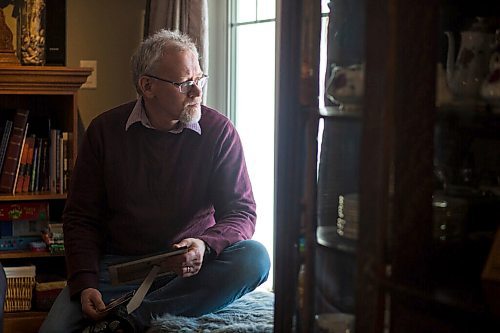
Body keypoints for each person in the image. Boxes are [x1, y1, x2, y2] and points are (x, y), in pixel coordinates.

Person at [39, 29, 270, 333]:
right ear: (147, 86)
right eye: (185, 83)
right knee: (52, 331)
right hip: (118, 269)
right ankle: (130, 308)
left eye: (199, 80)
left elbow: (242, 212)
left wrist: (204, 244)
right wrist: (84, 283)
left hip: (187, 267)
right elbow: (80, 217)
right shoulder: (105, 131)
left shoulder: (219, 132)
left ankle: (128, 321)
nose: (197, 92)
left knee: (255, 258)